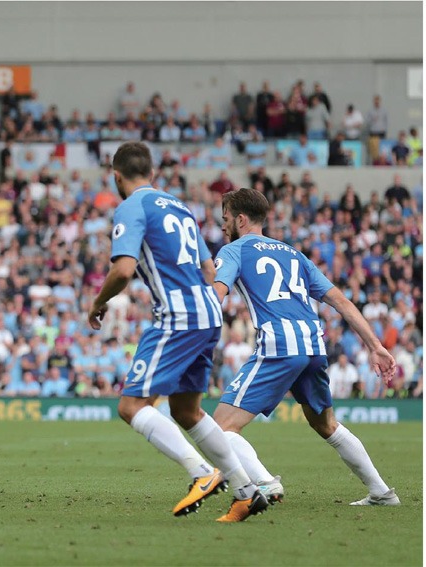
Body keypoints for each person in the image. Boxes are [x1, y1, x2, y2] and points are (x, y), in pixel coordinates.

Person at [86, 141, 268, 522]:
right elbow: (208, 270)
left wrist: (97, 303)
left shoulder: (131, 206)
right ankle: (247, 491)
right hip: (207, 312)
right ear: (152, 173)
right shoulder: (181, 208)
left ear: (116, 176)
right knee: (186, 411)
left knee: (131, 406)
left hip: (177, 315)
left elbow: (122, 270)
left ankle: (202, 472)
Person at [211, 187, 400, 506]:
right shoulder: (293, 254)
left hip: (279, 344)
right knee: (325, 423)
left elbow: (216, 293)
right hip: (313, 344)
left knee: (219, 428)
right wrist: (375, 345)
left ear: (241, 220)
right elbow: (340, 300)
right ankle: (381, 492)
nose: (222, 225)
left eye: (225, 218)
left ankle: (266, 483)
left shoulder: (234, 251)